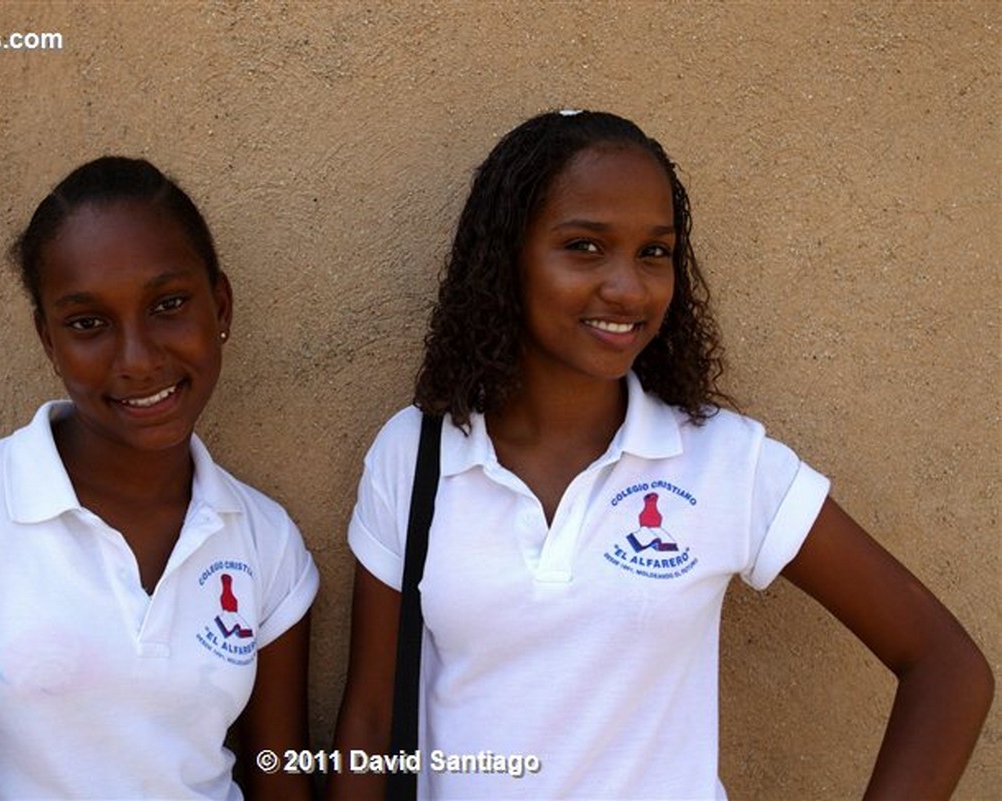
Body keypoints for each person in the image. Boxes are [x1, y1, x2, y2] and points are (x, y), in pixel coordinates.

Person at [330, 110, 993, 800]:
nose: (628, 287)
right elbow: (373, 721)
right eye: (585, 246)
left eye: (655, 252)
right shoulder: (416, 454)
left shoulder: (723, 463)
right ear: (505, 259)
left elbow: (947, 667)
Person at [0, 157, 318, 800]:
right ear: (48, 340)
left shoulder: (265, 542)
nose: (137, 359)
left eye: (169, 304)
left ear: (221, 305)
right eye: (87, 323)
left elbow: (279, 780)